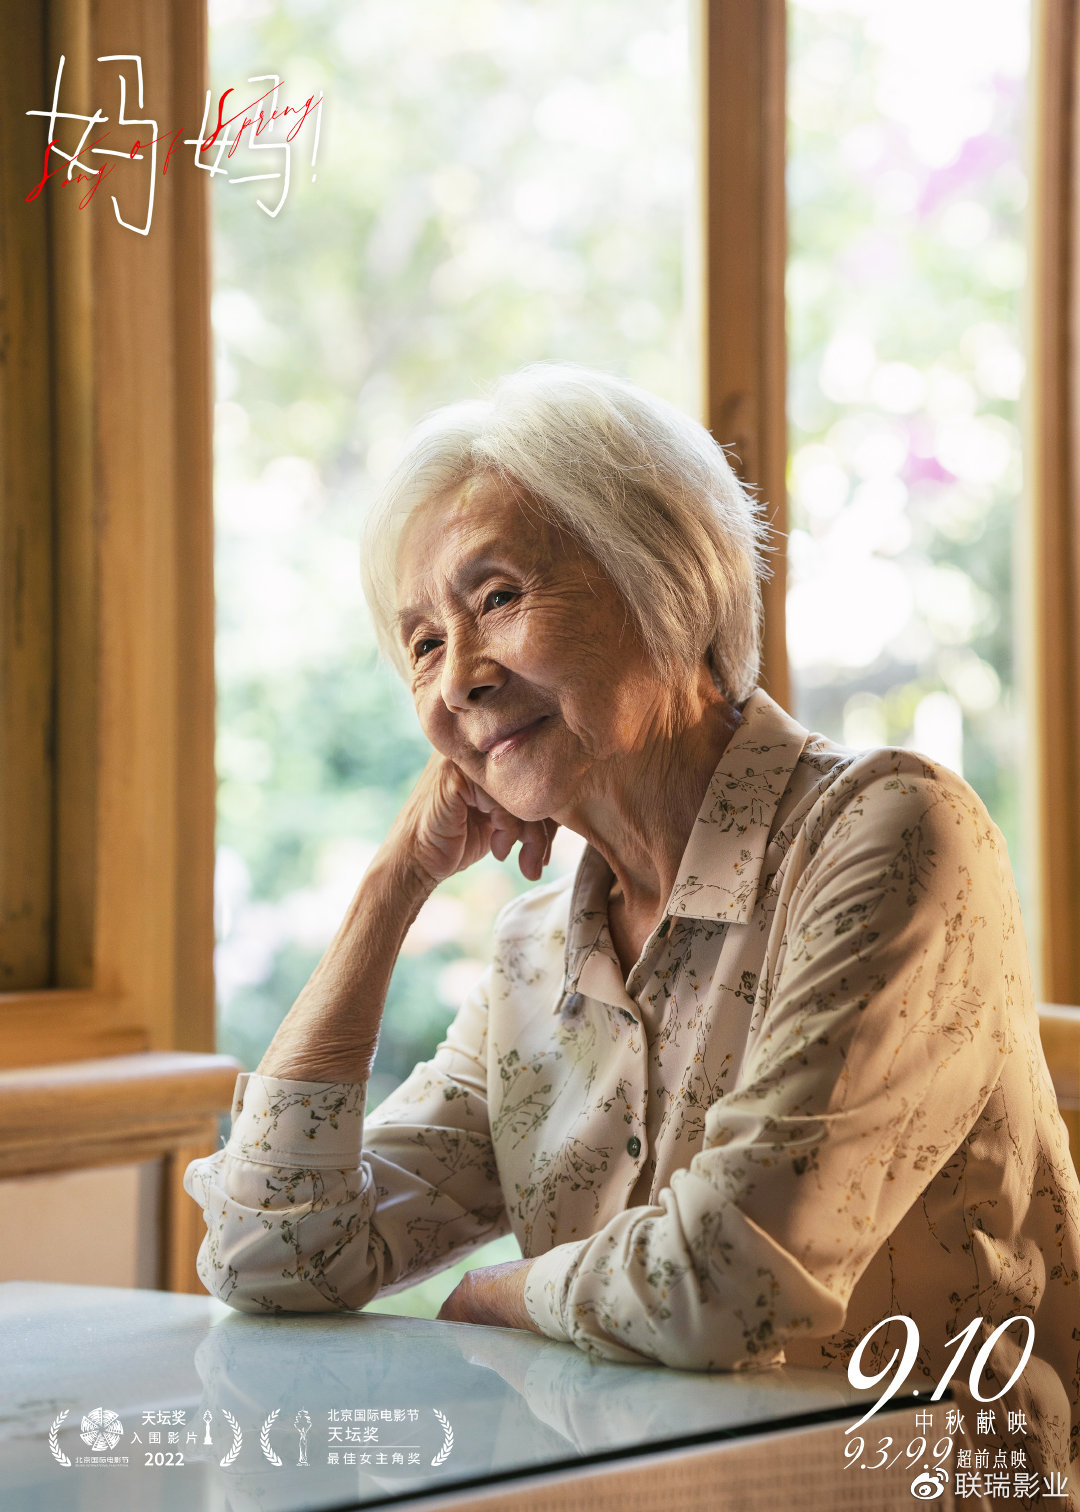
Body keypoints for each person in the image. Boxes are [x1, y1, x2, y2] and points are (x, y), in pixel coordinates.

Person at [185, 364, 1080, 1494]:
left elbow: (724, 1283)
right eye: (420, 644)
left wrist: (504, 1290)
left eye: (497, 596)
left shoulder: (890, 833)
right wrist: (392, 888)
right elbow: (278, 1254)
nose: (457, 677)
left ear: (664, 577)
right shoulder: (532, 954)